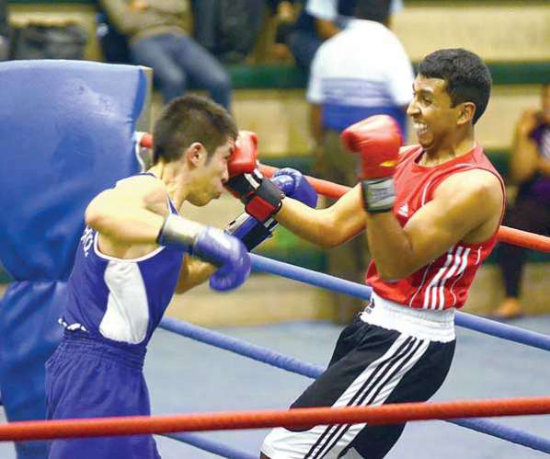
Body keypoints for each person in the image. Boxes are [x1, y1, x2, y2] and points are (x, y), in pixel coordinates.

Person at [226, 48, 504, 458]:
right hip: (371, 324)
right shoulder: (407, 159)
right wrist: (251, 185)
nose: (412, 109)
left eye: (427, 99)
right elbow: (330, 227)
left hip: (409, 339)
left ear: (464, 112)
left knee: (284, 450)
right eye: (414, 95)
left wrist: (376, 180)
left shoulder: (472, 186)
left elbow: (395, 264)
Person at [45, 95, 251, 458]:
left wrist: (257, 225)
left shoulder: (162, 219)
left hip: (115, 373)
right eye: (224, 158)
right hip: (97, 376)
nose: (227, 174)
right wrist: (202, 238)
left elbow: (182, 278)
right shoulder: (147, 190)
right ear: (196, 154)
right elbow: (99, 210)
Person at [307, 0, 414, 321]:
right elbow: (407, 101)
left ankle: (344, 312)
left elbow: (316, 107)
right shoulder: (389, 47)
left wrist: (321, 149)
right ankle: (381, 311)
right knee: (378, 226)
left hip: (334, 142)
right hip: (378, 150)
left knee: (336, 227)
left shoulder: (330, 47)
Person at [99, 0, 232, 109]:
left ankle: (226, 136)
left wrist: (147, 5)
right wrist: (164, 7)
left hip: (178, 36)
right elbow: (126, 23)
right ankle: (174, 137)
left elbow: (179, 6)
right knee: (174, 79)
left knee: (220, 80)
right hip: (144, 39)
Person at [493, 83, 550, 319]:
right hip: (536, 202)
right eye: (546, 97)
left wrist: (542, 164)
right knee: (514, 223)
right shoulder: (536, 130)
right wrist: (522, 133)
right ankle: (512, 299)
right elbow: (520, 172)